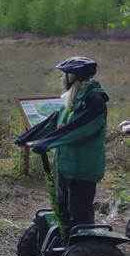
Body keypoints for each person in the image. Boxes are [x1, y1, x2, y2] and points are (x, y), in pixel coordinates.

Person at [15, 57, 108, 230]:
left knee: (79, 214)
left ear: (73, 77)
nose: (61, 79)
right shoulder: (74, 98)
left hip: (83, 170)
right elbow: (54, 122)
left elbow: (77, 129)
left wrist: (47, 143)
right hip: (66, 166)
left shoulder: (94, 101)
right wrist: (26, 137)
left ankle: (88, 252)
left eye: (64, 75)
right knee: (62, 211)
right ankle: (66, 250)